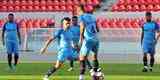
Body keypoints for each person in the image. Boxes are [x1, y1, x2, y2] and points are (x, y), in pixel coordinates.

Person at [77, 5, 103, 80]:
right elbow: (97, 29)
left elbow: (82, 27)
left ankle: (81, 77)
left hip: (88, 39)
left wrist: (81, 39)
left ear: (79, 9)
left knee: (81, 57)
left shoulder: (81, 17)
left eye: (77, 11)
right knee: (94, 57)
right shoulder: (92, 16)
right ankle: (96, 74)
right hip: (96, 39)